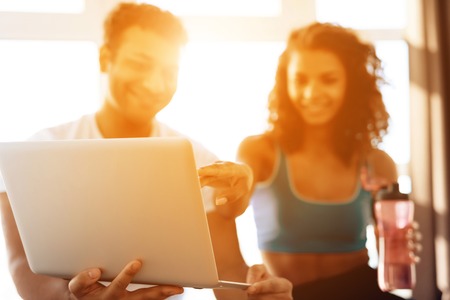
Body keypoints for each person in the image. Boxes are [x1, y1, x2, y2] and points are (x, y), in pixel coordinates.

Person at [0, 3, 293, 300]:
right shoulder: (40, 153)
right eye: (140, 63)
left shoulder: (198, 161)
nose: (154, 83)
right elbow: (21, 263)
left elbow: (227, 268)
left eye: (169, 71)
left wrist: (260, 295)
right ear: (105, 59)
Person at [237, 22, 418, 300]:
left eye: (328, 79)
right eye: (300, 80)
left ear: (351, 84)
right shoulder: (260, 152)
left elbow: (390, 265)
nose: (312, 93)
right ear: (285, 83)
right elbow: (224, 213)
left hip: (362, 290)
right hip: (287, 295)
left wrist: (400, 243)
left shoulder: (377, 162)